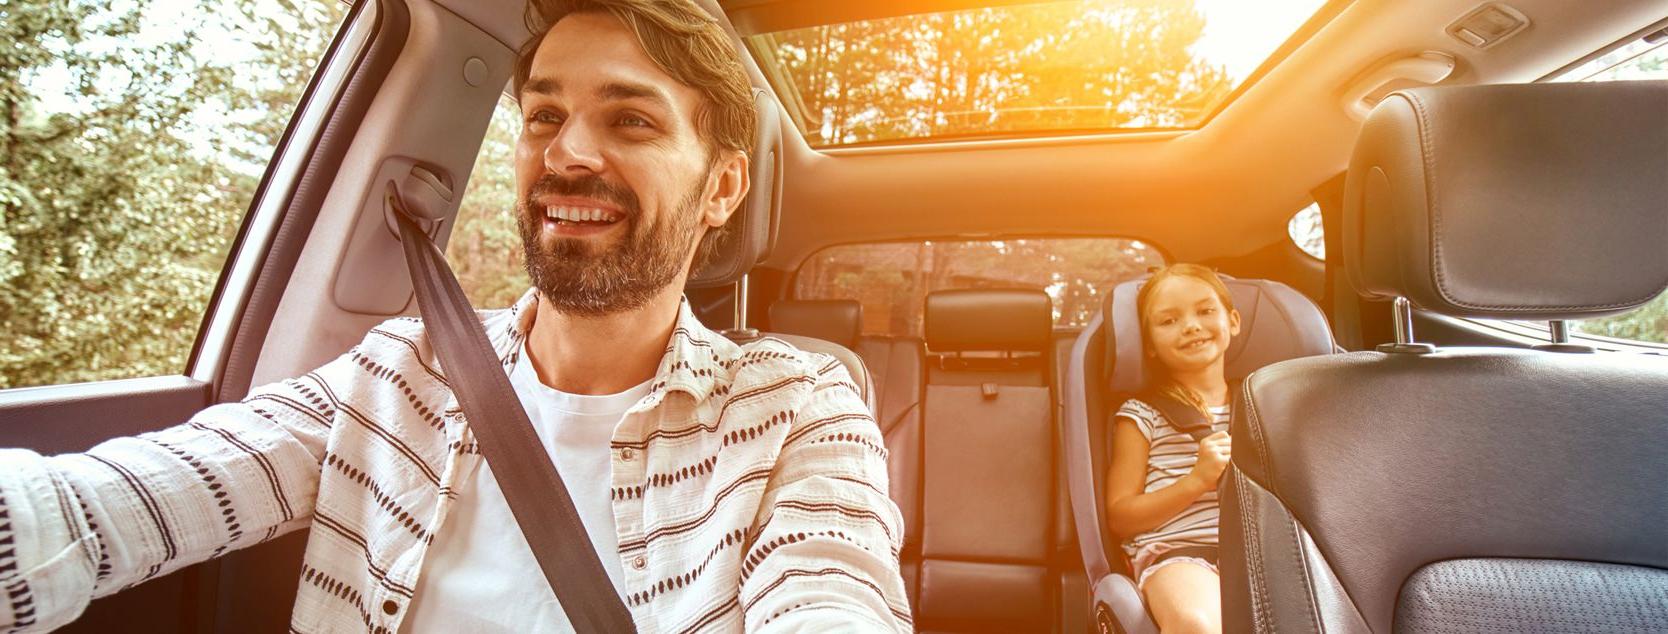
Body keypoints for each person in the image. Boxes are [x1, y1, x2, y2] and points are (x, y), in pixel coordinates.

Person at [0, 1, 910, 631]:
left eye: (631, 122)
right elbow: (107, 506)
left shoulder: (799, 408)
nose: (569, 153)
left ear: (720, 186)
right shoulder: (396, 374)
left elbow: (830, 588)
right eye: (545, 115)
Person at [1104, 264, 1240, 634]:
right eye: (1168, 321)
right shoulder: (1141, 415)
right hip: (1181, 556)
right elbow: (1120, 517)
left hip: (1264, 552)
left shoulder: (1267, 404)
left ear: (1234, 320)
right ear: (1149, 344)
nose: (1191, 326)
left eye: (1205, 311)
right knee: (1195, 624)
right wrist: (1196, 481)